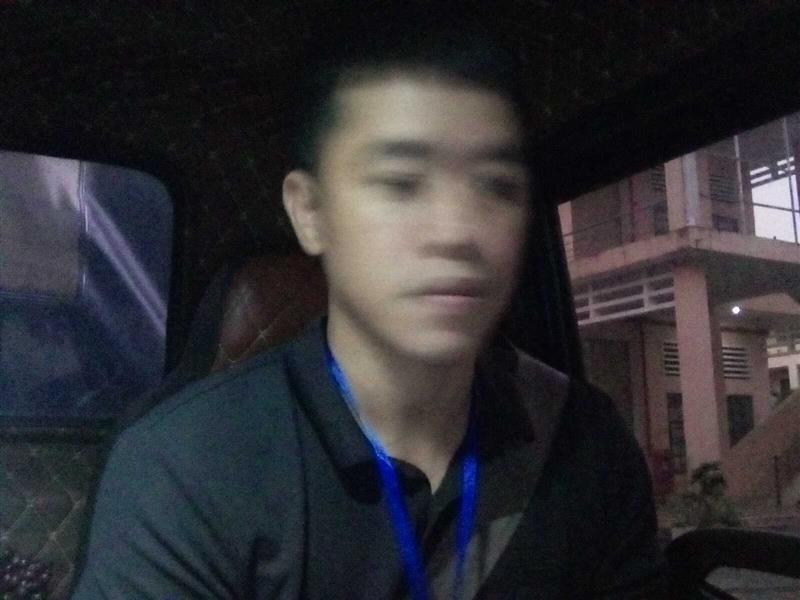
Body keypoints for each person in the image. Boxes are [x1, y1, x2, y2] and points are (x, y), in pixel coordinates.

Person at [71, 9, 666, 599]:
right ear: (310, 212)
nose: (457, 231)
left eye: (497, 186)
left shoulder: (587, 441)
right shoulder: (187, 464)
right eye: (401, 183)